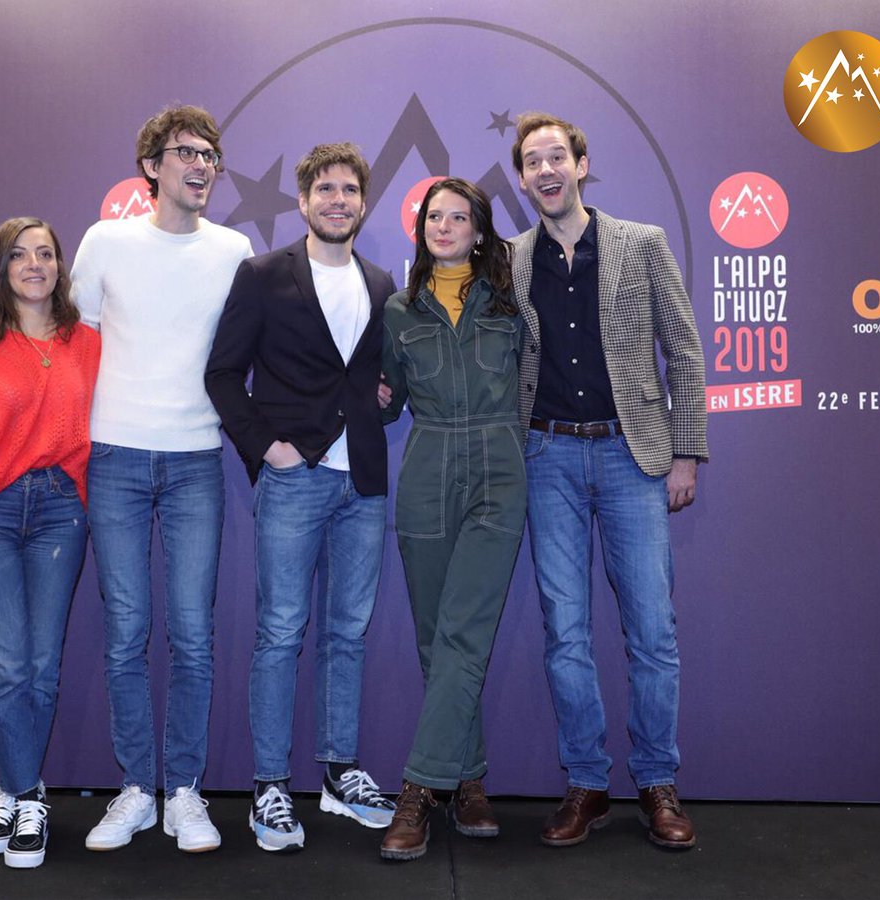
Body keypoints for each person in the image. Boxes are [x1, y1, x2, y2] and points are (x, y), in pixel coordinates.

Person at [0, 106, 253, 855]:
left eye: (210, 154)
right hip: (112, 462)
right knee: (125, 635)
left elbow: (257, 345)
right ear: (152, 165)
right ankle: (136, 789)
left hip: (196, 461)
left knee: (193, 635)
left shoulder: (235, 249)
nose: (201, 164)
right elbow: (47, 327)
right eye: (185, 152)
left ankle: (183, 791)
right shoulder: (106, 241)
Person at [509, 113, 708, 849]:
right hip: (547, 458)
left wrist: (686, 453)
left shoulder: (642, 243)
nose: (547, 169)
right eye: (533, 161)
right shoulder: (511, 258)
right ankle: (587, 784)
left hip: (633, 456)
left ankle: (657, 782)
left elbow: (685, 352)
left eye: (557, 156)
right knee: (565, 631)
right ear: (523, 178)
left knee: (652, 629)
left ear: (582, 164)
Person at [205, 143, 396, 853]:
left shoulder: (382, 284)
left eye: (349, 190)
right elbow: (223, 374)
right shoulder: (261, 275)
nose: (337, 200)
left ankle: (339, 773)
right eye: (325, 189)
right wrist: (267, 449)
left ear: (363, 203)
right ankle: (270, 785)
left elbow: (381, 379)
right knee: (281, 633)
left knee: (347, 633)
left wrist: (388, 396)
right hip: (294, 480)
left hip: (362, 482)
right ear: (304, 199)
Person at [0, 217, 100, 869]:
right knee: (6, 665)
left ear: (61, 267)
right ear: (0, 269)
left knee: (40, 666)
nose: (35, 265)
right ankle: (24, 794)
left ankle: (15, 794)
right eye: (20, 255)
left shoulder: (88, 344)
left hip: (62, 514)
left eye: (46, 254)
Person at [377, 179, 526, 861]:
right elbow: (388, 400)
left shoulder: (511, 303)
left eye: (458, 216)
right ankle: (467, 780)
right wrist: (373, 396)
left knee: (465, 631)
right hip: (428, 469)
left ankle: (418, 789)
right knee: (437, 638)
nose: (443, 226)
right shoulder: (398, 310)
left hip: (498, 468)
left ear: (479, 230)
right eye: (434, 216)